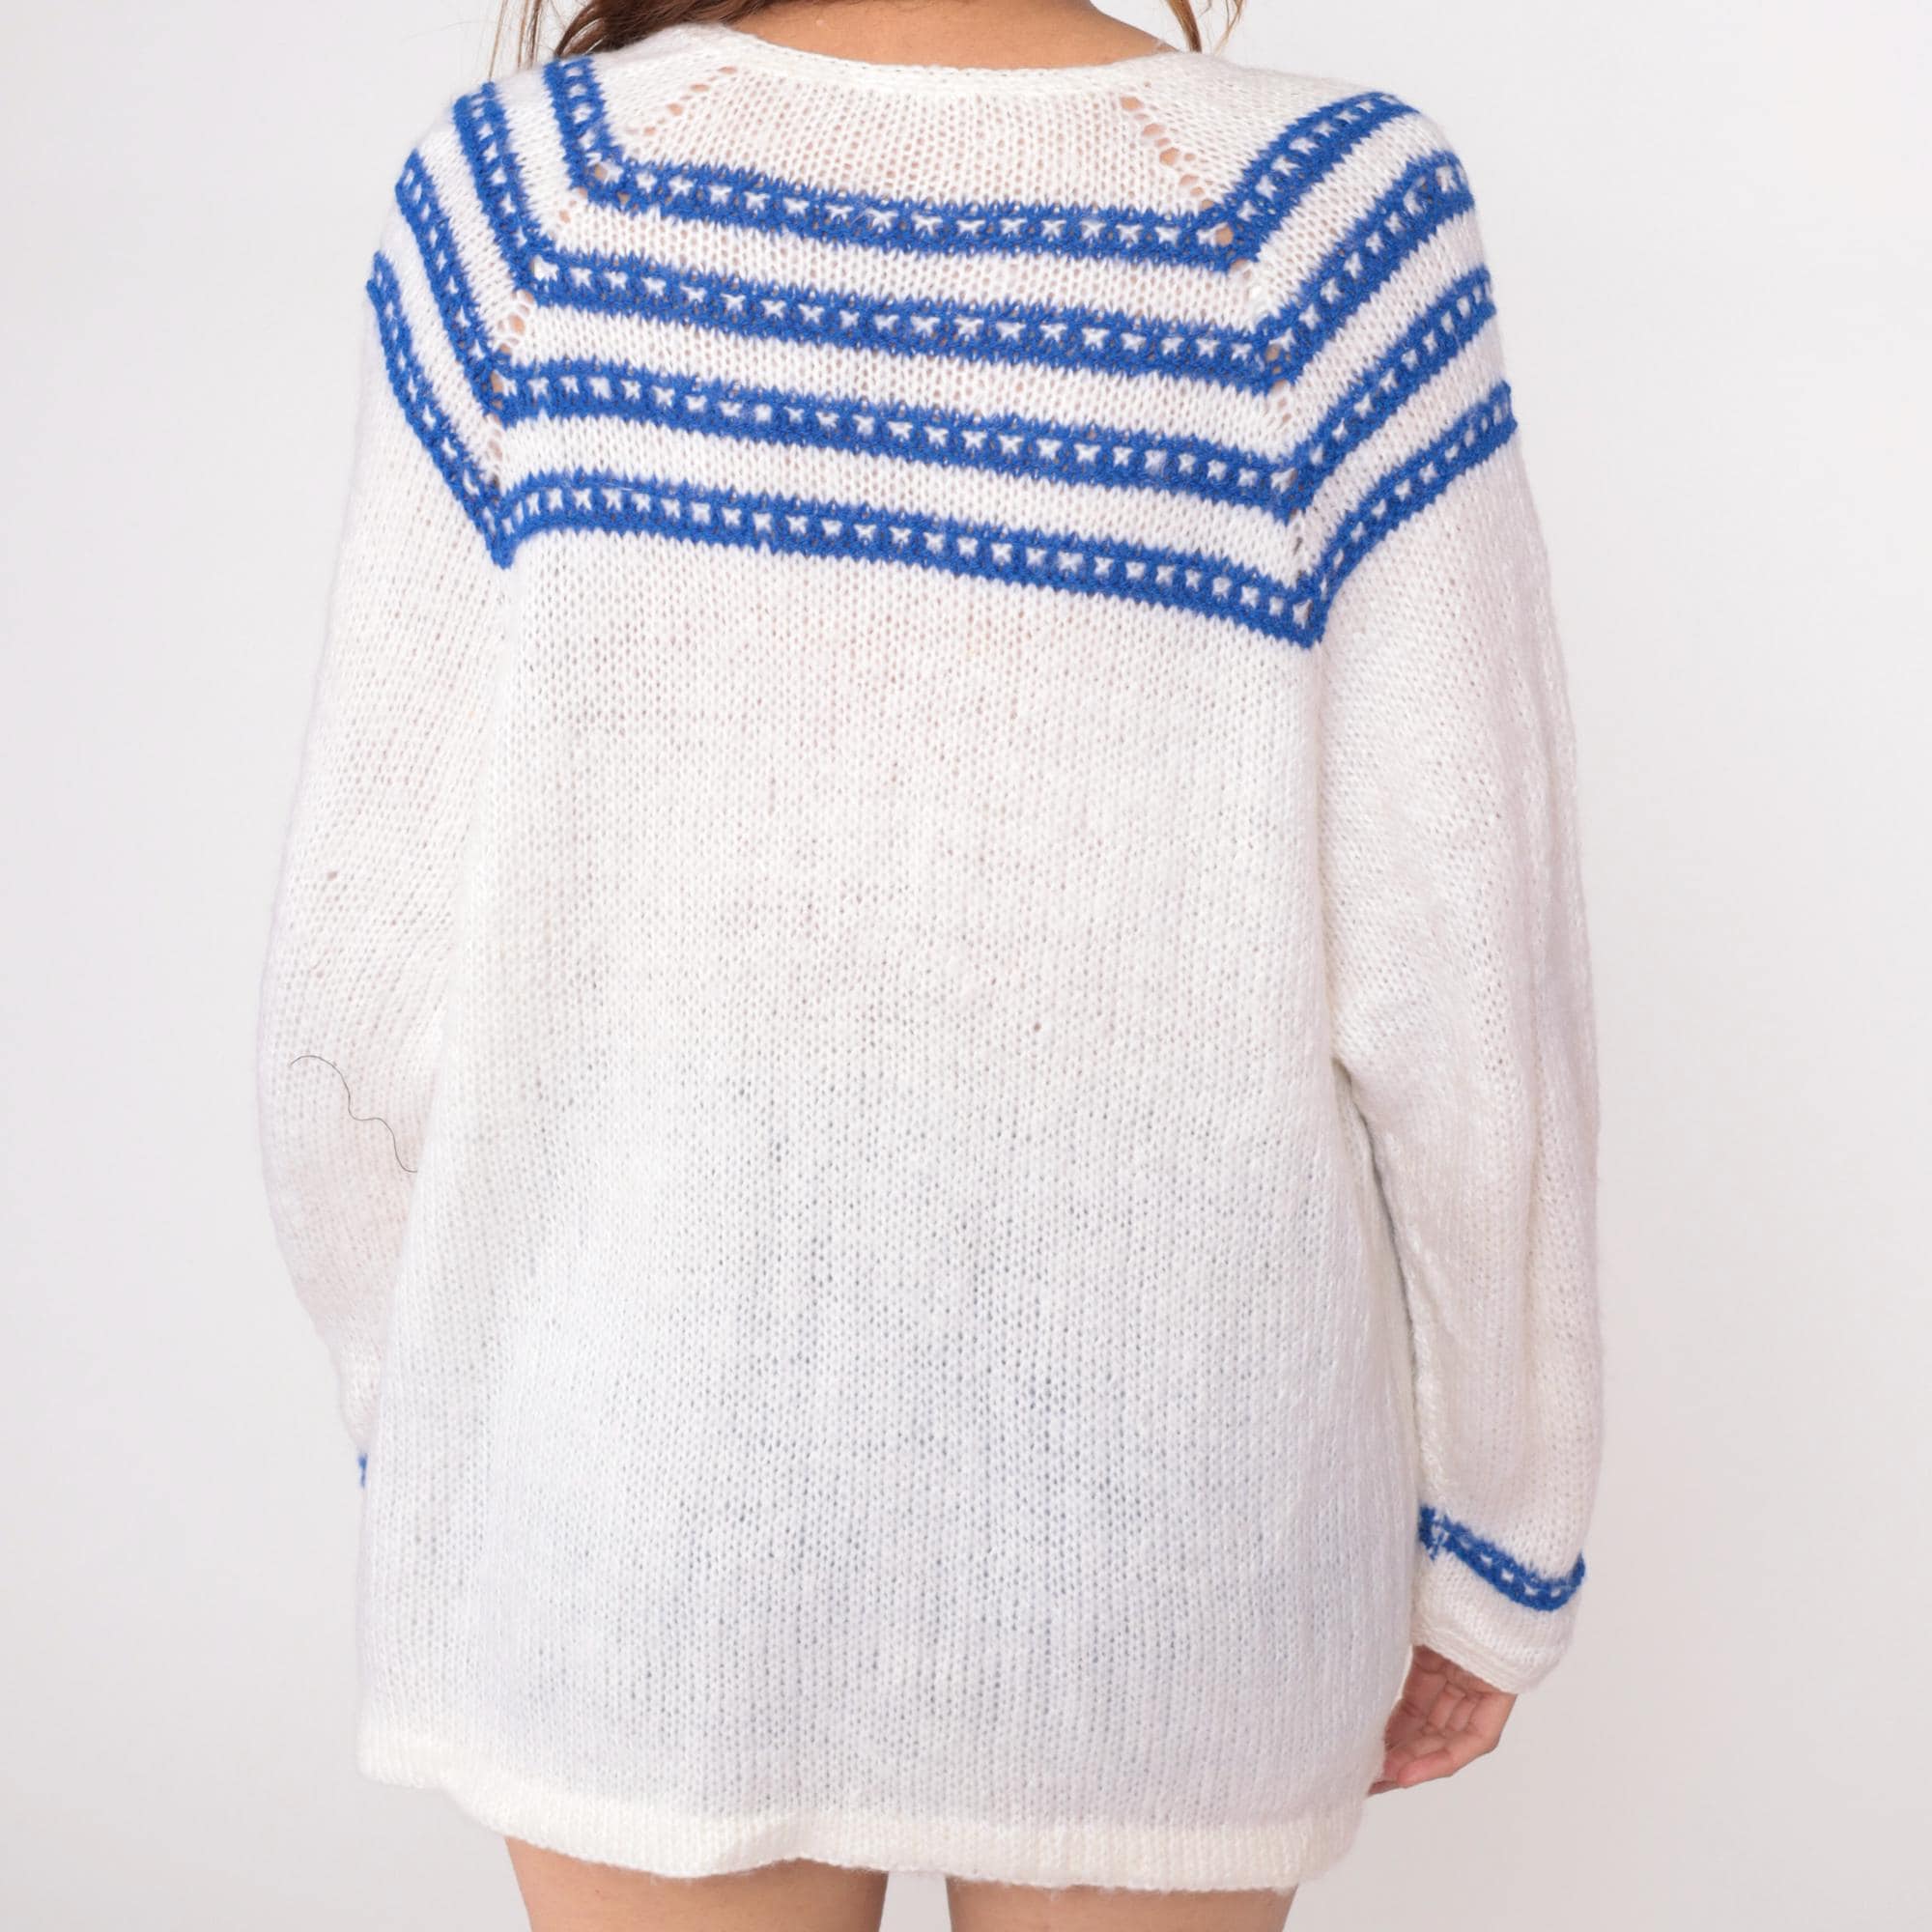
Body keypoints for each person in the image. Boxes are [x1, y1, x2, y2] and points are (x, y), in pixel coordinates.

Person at [253, 0, 1604, 1925]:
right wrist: (1495, 1536)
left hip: (628, 1488)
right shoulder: (1322, 230)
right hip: (1163, 1521)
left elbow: (351, 979)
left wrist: (436, 1420)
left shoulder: (531, 204)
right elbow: (1473, 984)